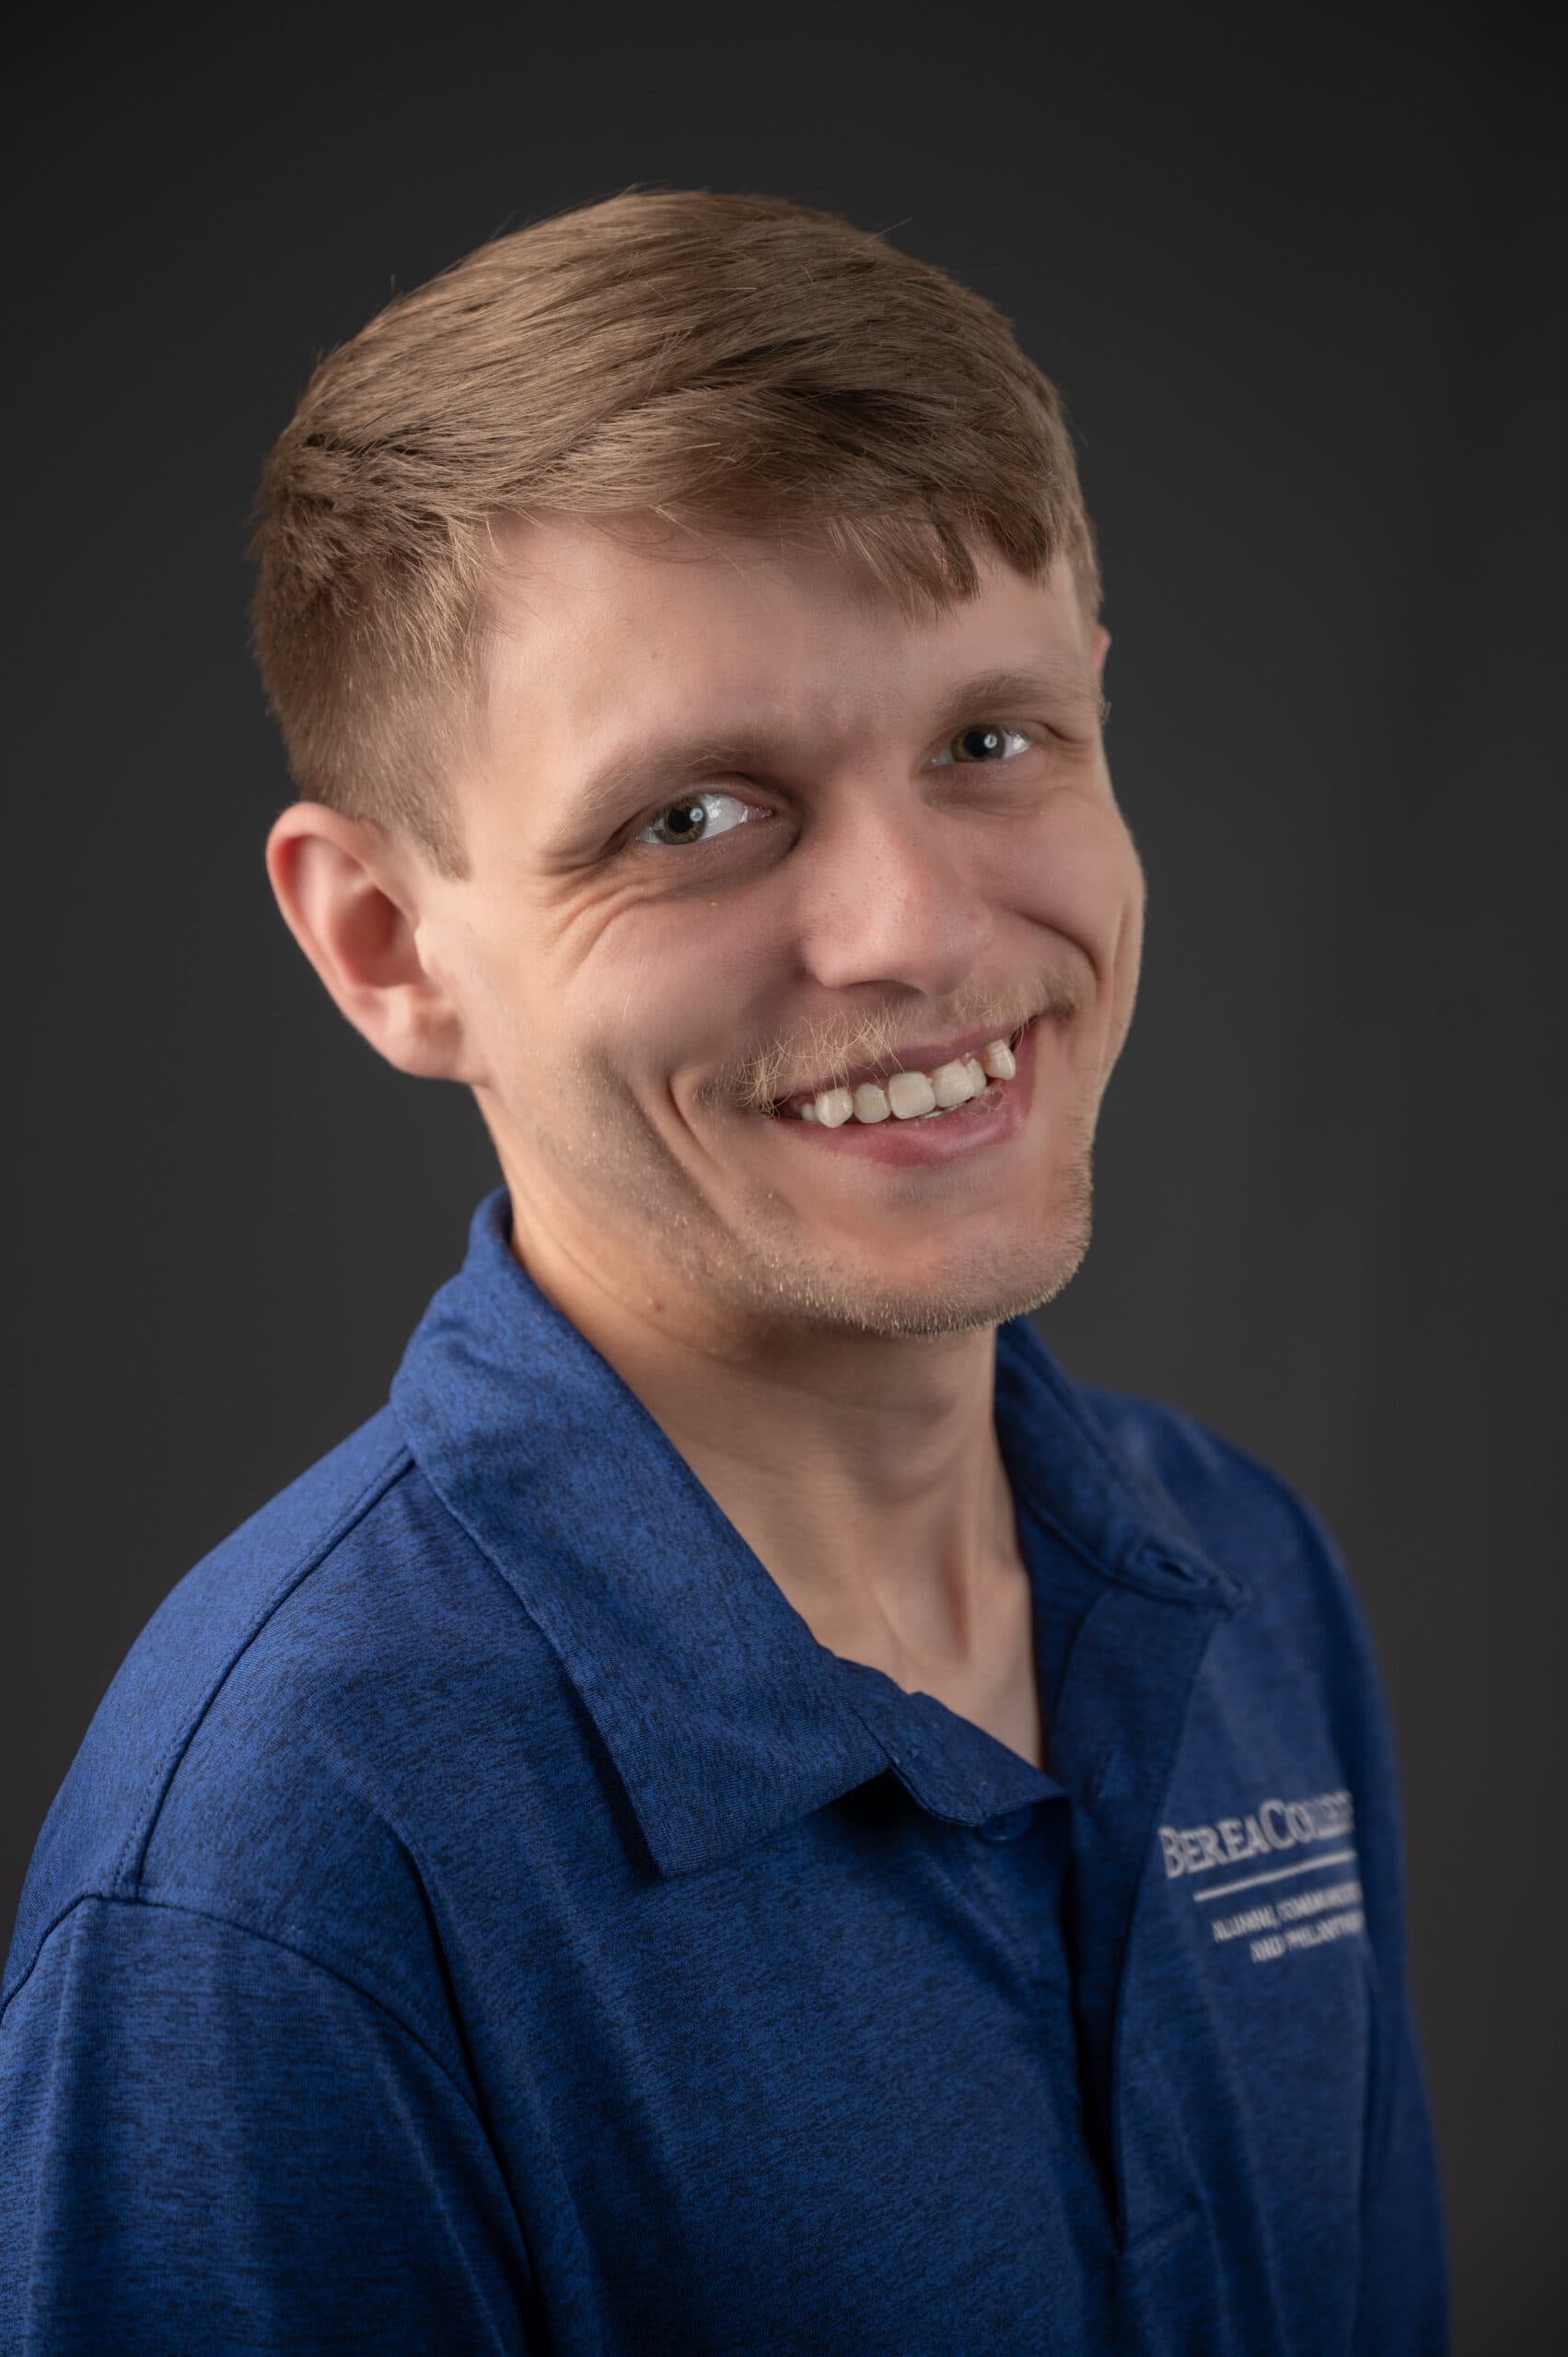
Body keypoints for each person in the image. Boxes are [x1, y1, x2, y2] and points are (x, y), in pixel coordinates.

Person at [0, 188, 1448, 2354]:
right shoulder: (280, 1876)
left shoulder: (1245, 1580)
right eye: (693, 814)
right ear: (388, 946)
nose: (919, 929)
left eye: (991, 737)